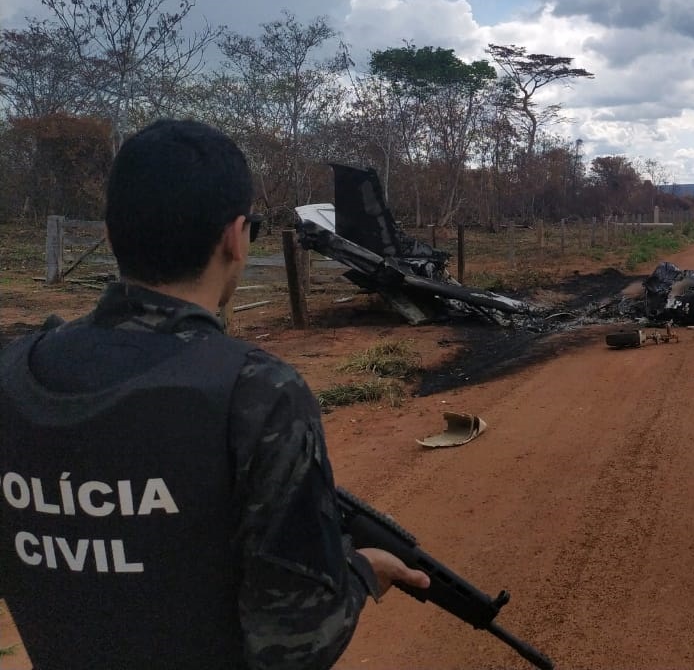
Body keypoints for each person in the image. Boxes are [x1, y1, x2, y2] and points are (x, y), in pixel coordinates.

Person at [0, 119, 428, 669]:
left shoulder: (14, 374)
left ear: (109, 234)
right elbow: (297, 642)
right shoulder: (258, 390)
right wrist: (365, 570)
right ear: (236, 236)